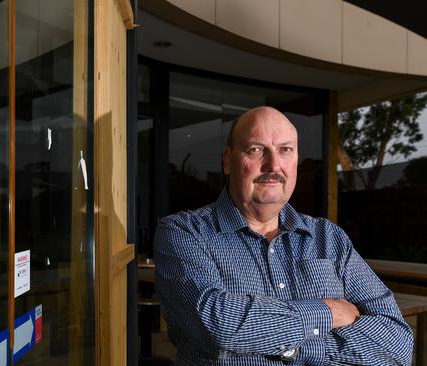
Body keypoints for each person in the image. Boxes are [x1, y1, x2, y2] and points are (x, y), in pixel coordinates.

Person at [154, 106, 412, 365]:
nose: (273, 165)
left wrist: (293, 350)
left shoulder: (328, 238)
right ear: (228, 161)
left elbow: (396, 342)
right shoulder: (183, 232)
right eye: (256, 149)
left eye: (285, 150)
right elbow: (217, 323)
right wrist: (327, 312)